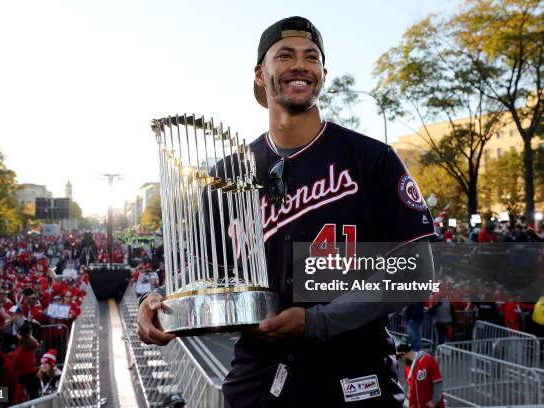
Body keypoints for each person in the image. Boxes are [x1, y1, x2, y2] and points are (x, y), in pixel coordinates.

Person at [137, 16, 436, 406]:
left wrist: (317, 322)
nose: (300, 65)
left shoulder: (371, 158)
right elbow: (204, 273)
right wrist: (161, 301)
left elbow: (419, 271)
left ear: (322, 74)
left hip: (354, 374)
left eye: (311, 57)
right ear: (261, 74)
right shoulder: (227, 175)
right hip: (258, 377)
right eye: (285, 55)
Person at [396, 343, 444, 408]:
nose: (402, 361)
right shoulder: (407, 368)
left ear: (404, 355)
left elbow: (437, 382)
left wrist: (434, 401)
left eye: (401, 358)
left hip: (431, 405)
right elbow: (410, 388)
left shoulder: (428, 360)